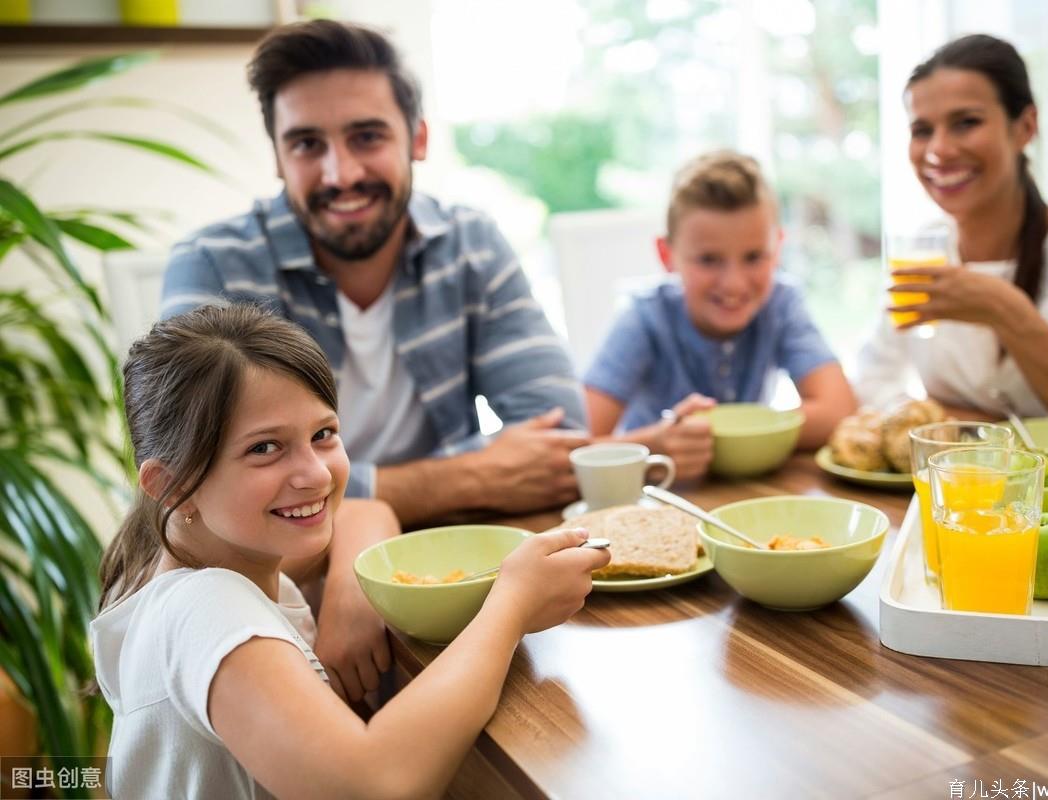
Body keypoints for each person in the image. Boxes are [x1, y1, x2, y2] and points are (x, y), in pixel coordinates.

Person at [90, 305, 609, 799]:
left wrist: (348, 591)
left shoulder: (189, 569)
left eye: (323, 434)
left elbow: (364, 510)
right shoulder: (207, 607)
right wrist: (511, 606)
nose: (316, 473)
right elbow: (377, 785)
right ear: (172, 484)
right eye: (263, 448)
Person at [160, 20, 587, 526]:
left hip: (440, 550)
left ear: (418, 139)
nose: (341, 175)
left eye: (366, 137)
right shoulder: (212, 264)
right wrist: (471, 477)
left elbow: (558, 435)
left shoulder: (470, 243)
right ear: (277, 156)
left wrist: (353, 492)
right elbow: (202, 476)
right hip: (282, 573)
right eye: (306, 144)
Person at [856, 34, 1048, 453]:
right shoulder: (923, 248)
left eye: (966, 122)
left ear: (1026, 127)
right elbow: (872, 380)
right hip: (969, 502)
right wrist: (952, 428)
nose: (939, 150)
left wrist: (1005, 311)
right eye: (922, 130)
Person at [583, 150, 858, 478]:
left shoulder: (781, 302)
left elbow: (840, 410)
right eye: (709, 260)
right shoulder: (644, 318)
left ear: (778, 248)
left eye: (754, 257)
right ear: (666, 254)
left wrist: (744, 431)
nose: (734, 284)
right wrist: (656, 446)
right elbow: (578, 445)